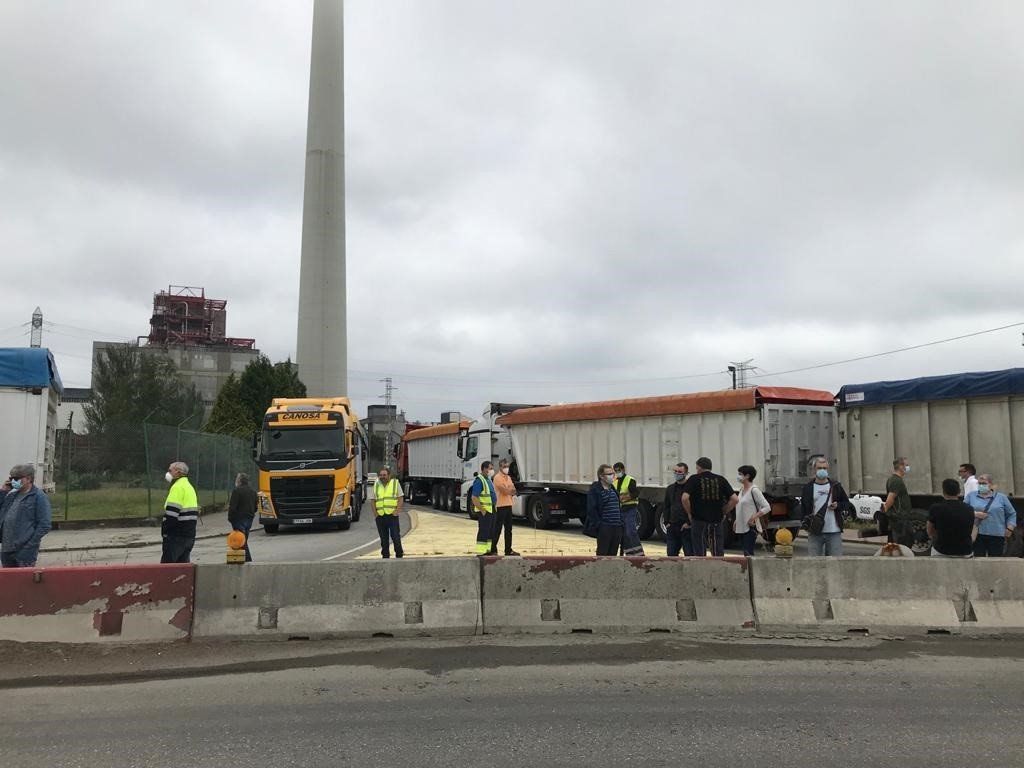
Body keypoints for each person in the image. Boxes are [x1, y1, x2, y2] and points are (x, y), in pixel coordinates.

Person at [682, 457, 737, 557]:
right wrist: (724, 511)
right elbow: (735, 499)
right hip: (716, 520)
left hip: (698, 520)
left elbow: (685, 498)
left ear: (699, 467)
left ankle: (702, 569)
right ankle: (718, 568)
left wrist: (690, 513)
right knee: (717, 550)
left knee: (700, 549)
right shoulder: (721, 479)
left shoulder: (694, 479)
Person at [0, 464, 51, 568]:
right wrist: (3, 491)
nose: (13, 481)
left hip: (24, 551)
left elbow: (44, 525)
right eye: (11, 478)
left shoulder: (38, 496)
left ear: (28, 478)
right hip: (6, 549)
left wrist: (30, 546)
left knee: (23, 582)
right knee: (9, 583)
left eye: (16, 478)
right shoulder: (12, 495)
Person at [800, 457, 853, 557]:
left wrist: (838, 505)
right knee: (814, 563)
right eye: (819, 468)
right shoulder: (808, 488)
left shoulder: (836, 486)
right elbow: (804, 509)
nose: (822, 471)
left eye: (824, 468)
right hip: (815, 532)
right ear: (814, 470)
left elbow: (847, 504)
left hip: (834, 532)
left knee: (835, 563)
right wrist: (805, 524)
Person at [966, 473, 1016, 557]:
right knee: (978, 560)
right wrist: (975, 514)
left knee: (996, 560)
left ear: (991, 485)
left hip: (996, 534)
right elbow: (964, 511)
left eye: (984, 484)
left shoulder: (1001, 497)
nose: (981, 485)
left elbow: (1012, 513)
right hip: (977, 534)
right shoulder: (971, 496)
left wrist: (1010, 528)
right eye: (979, 483)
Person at [161, 461, 199, 564]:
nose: (168, 473)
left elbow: (171, 515)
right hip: (189, 535)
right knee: (182, 570)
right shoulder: (190, 487)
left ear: (178, 472)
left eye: (170, 470)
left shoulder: (177, 487)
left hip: (176, 536)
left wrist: (165, 532)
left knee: (167, 570)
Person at [927, 478, 975, 558]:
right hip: (965, 551)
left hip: (941, 550)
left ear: (943, 492)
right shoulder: (969, 509)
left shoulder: (935, 508)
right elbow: (971, 529)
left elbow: (930, 531)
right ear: (959, 492)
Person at [586, 464, 624, 556]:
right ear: (601, 476)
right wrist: (600, 525)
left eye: (612, 473)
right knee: (602, 555)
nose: (612, 476)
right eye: (609, 474)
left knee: (612, 555)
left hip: (617, 527)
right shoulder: (596, 490)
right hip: (605, 527)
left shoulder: (613, 489)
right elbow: (591, 510)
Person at [735, 465, 770, 557]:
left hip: (750, 527)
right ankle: (748, 570)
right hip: (741, 526)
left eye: (740, 474)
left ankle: (751, 570)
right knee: (745, 553)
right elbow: (740, 506)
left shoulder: (754, 490)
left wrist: (754, 516)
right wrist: (736, 521)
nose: (738, 476)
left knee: (748, 553)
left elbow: (767, 507)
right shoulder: (742, 489)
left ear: (747, 476)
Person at [371, 466, 404, 558]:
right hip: (380, 517)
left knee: (395, 537)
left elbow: (400, 498)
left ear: (389, 475)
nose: (382, 477)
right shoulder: (376, 484)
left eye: (384, 475)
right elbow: (373, 500)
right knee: (384, 539)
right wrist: (375, 514)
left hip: (392, 516)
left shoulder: (395, 483)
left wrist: (397, 511)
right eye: (381, 475)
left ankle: (399, 555)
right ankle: (385, 556)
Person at [663, 462, 694, 557]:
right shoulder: (670, 488)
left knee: (689, 554)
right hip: (672, 526)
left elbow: (694, 507)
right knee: (671, 555)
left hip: (686, 527)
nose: (677, 474)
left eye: (680, 472)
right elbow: (666, 506)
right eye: (675, 471)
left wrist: (689, 523)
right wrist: (667, 522)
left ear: (686, 473)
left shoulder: (691, 488)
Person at [614, 462, 645, 556]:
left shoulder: (630, 480)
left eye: (618, 470)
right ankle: (628, 553)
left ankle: (639, 554)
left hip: (630, 508)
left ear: (623, 470)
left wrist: (625, 498)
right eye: (615, 471)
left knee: (630, 531)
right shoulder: (615, 481)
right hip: (620, 509)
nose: (617, 472)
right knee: (622, 533)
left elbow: (635, 493)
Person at [490, 459, 520, 556]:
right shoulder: (497, 478)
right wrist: (509, 490)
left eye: (507, 466)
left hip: (508, 504)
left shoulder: (508, 477)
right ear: (500, 467)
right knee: (497, 528)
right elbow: (505, 491)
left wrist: (510, 490)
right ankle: (493, 549)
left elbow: (514, 490)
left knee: (509, 529)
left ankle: (508, 550)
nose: (506, 468)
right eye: (504, 466)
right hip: (500, 506)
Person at [881, 457, 914, 546]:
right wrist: (885, 511)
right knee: (902, 545)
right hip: (900, 520)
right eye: (906, 465)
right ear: (900, 466)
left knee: (899, 544)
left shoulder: (894, 479)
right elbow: (890, 499)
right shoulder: (896, 481)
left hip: (899, 519)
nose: (908, 467)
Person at [227, 472, 257, 562]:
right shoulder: (253, 491)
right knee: (243, 539)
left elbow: (232, 507)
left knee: (240, 541)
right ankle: (240, 559)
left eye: (237, 479)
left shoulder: (237, 491)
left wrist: (230, 518)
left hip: (239, 518)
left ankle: (247, 560)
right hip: (249, 518)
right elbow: (255, 507)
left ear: (239, 481)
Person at [471, 461, 497, 556]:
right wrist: (482, 510)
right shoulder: (479, 480)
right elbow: (474, 497)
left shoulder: (488, 480)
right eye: (490, 468)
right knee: (483, 531)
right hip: (485, 511)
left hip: (491, 510)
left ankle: (487, 550)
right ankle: (481, 552)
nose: (491, 470)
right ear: (484, 469)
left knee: (490, 532)